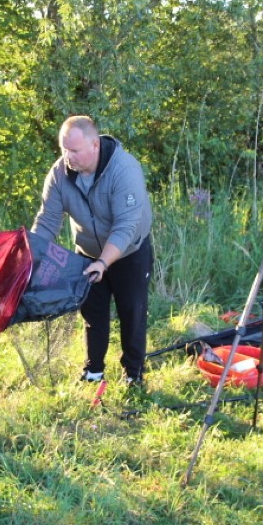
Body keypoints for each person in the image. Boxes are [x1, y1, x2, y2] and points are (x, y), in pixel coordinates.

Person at [32, 116, 153, 385]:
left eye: (74, 150)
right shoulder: (60, 173)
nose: (68, 156)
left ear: (94, 145)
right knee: (93, 314)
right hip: (87, 251)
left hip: (129, 253)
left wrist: (104, 262)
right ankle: (94, 370)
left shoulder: (125, 170)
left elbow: (126, 227)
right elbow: (48, 219)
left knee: (132, 313)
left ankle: (134, 374)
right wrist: (32, 255)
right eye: (64, 149)